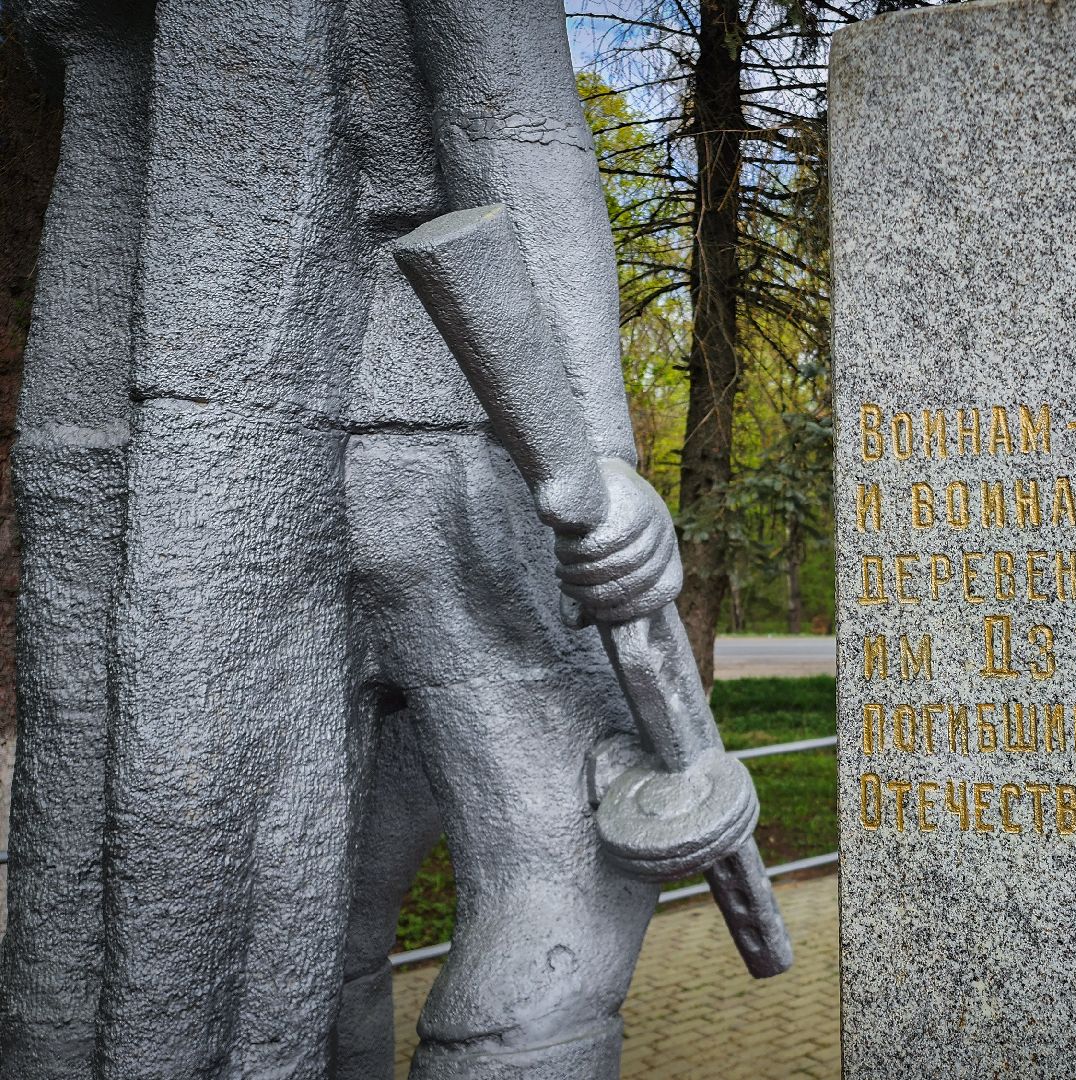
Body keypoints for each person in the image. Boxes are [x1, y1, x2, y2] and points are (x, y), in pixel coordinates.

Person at [0, 1, 682, 1076]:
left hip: (156, 451)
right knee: (568, 877)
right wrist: (603, 451)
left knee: (276, 911)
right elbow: (509, 117)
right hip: (458, 423)